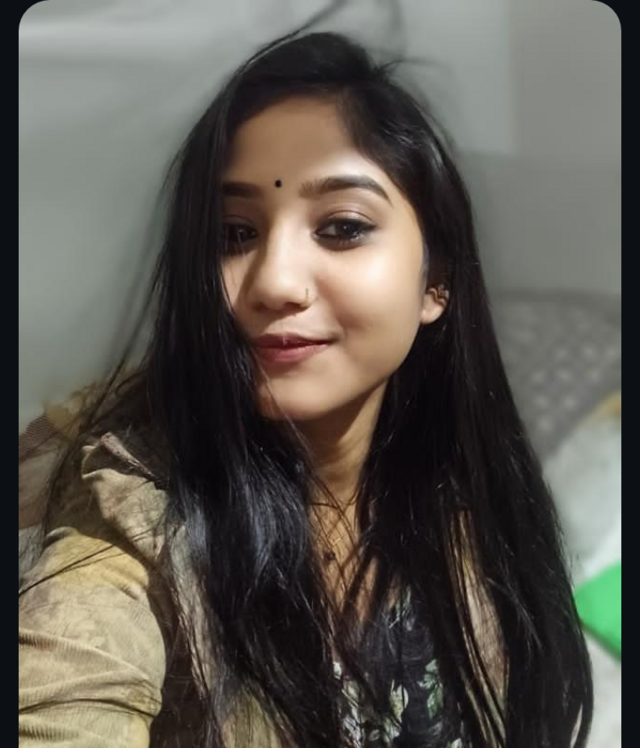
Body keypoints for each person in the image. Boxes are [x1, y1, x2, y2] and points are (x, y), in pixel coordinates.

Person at [18, 29, 593, 748]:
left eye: (343, 227)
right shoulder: (128, 516)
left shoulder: (463, 486)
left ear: (436, 281)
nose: (274, 282)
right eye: (233, 234)